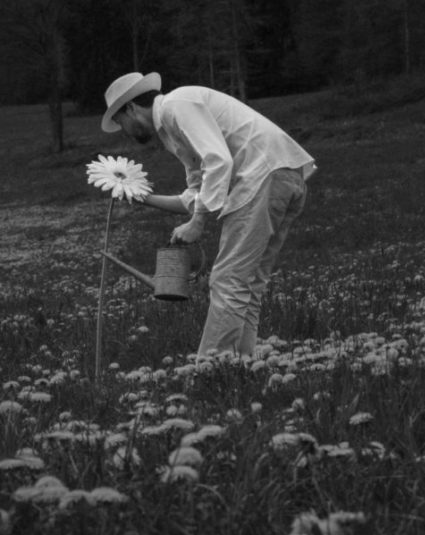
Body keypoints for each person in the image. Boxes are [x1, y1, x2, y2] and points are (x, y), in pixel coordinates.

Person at [100, 71, 316, 361]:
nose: (124, 129)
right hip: (281, 176)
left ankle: (210, 369)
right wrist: (143, 198)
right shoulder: (172, 126)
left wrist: (198, 221)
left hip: (262, 177)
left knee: (227, 281)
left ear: (131, 108)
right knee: (247, 285)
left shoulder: (178, 105)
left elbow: (219, 161)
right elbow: (198, 191)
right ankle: (239, 365)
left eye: (120, 121)